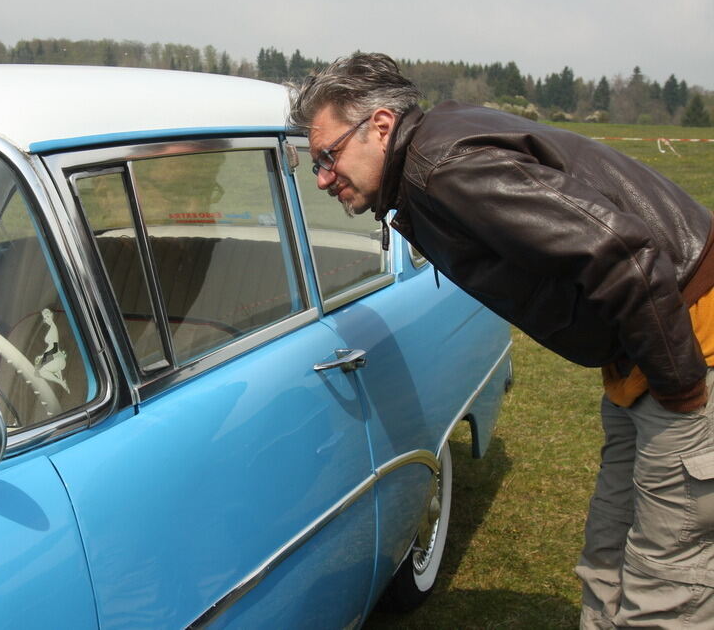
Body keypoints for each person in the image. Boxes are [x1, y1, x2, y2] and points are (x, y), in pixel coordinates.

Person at [288, 53, 714, 628]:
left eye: (328, 156)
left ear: (381, 126)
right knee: (609, 557)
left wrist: (683, 390)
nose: (321, 178)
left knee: (668, 581)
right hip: (642, 348)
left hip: (682, 341)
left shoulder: (444, 168)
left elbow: (620, 252)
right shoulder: (433, 155)